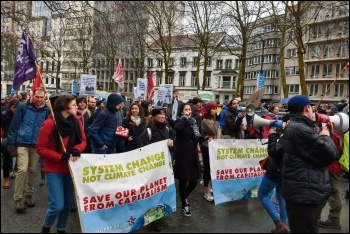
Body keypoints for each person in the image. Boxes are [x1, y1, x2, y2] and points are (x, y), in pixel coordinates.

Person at [278, 95, 339, 233]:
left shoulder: (295, 126)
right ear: (307, 108)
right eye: (311, 108)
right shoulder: (300, 129)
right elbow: (330, 155)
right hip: (303, 194)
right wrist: (325, 135)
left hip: (301, 191)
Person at [37, 94, 86, 233]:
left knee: (66, 206)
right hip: (54, 170)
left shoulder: (76, 121)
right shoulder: (49, 124)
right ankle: (46, 227)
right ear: (65, 106)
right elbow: (40, 148)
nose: (77, 106)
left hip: (71, 169)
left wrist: (77, 149)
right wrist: (59, 157)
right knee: (57, 205)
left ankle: (61, 229)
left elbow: (83, 140)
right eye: (74, 104)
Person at [6, 87, 50, 213]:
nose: (39, 100)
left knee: (32, 170)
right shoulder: (23, 107)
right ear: (32, 96)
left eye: (42, 97)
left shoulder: (47, 110)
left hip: (37, 144)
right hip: (22, 142)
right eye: (37, 97)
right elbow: (13, 126)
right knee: (22, 169)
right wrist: (10, 144)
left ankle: (28, 195)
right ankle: (17, 198)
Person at [138, 108, 174, 231]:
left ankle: (157, 216)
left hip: (164, 166)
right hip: (151, 167)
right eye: (159, 115)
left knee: (161, 190)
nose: (162, 116)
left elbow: (172, 148)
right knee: (152, 192)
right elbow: (141, 149)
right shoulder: (148, 131)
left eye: (163, 114)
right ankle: (151, 219)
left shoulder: (167, 129)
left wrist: (171, 145)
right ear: (154, 117)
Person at [173, 103, 208, 217]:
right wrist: (184, 118)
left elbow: (196, 137)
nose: (188, 111)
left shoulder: (193, 123)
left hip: (192, 154)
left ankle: (184, 197)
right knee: (183, 180)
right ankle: (184, 204)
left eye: (189, 110)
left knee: (194, 180)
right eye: (186, 110)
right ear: (182, 111)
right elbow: (178, 129)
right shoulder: (178, 121)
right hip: (182, 155)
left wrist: (204, 138)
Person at [258, 113, 291, 233]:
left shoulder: (287, 135)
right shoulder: (295, 134)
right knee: (281, 197)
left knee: (262, 194)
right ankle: (284, 224)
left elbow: (273, 151)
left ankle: (278, 223)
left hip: (275, 170)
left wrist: (272, 136)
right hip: (285, 171)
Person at [317, 130, 344, 229]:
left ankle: (334, 219)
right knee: (326, 191)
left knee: (333, 192)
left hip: (332, 167)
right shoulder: (341, 132)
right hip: (335, 166)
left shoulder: (335, 134)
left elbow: (329, 150)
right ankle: (316, 216)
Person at [200, 101, 221, 202]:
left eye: (215, 108)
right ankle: (206, 191)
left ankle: (209, 186)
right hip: (207, 147)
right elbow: (213, 130)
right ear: (209, 110)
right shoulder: (205, 121)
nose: (215, 110)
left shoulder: (213, 120)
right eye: (213, 109)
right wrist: (217, 121)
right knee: (208, 168)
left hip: (215, 146)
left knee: (213, 168)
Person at [1, 99, 20, 189]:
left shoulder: (22, 115)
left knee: (20, 160)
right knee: (7, 160)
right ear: (10, 107)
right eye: (14, 107)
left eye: (17, 107)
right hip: (7, 140)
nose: (15, 109)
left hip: (19, 139)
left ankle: (17, 174)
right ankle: (5, 178)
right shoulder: (4, 115)